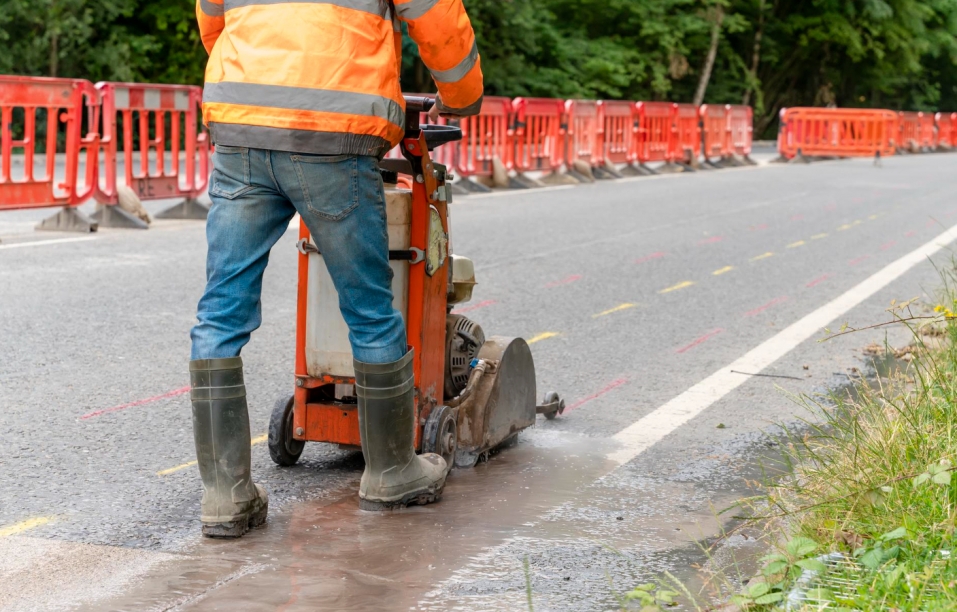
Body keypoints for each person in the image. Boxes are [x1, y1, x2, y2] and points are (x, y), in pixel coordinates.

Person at [190, 0, 484, 538]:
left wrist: (261, 78)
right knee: (370, 306)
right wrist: (465, 97)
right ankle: (392, 472)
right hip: (334, 134)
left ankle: (225, 498)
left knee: (220, 311)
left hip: (241, 129)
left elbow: (214, 23)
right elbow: (439, 23)